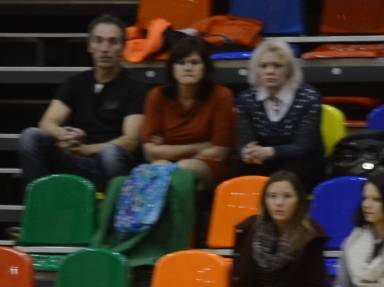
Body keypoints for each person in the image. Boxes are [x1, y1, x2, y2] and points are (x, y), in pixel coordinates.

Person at [17, 15, 145, 191]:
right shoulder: (75, 82)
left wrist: (87, 149)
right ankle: (42, 199)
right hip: (76, 159)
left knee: (110, 153)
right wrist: (64, 136)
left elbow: (131, 141)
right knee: (30, 136)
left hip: (108, 165)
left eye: (112, 42)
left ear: (123, 48)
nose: (105, 48)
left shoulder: (135, 88)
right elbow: (47, 122)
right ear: (89, 46)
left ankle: (113, 206)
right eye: (98, 41)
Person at [142, 37, 236, 192]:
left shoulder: (221, 95)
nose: (187, 68)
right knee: (158, 167)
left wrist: (167, 150)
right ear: (172, 68)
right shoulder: (157, 96)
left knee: (184, 169)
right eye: (181, 63)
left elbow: (220, 153)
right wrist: (202, 146)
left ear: (205, 67)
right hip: (169, 164)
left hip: (208, 167)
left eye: (194, 62)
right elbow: (150, 153)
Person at [234, 39, 323, 189]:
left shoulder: (309, 98)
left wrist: (270, 152)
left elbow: (303, 147)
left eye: (277, 66)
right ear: (256, 70)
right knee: (238, 170)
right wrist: (247, 152)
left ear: (288, 70)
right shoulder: (246, 99)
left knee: (292, 172)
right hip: (263, 161)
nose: (270, 71)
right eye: (263, 66)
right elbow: (245, 141)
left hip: (302, 162)